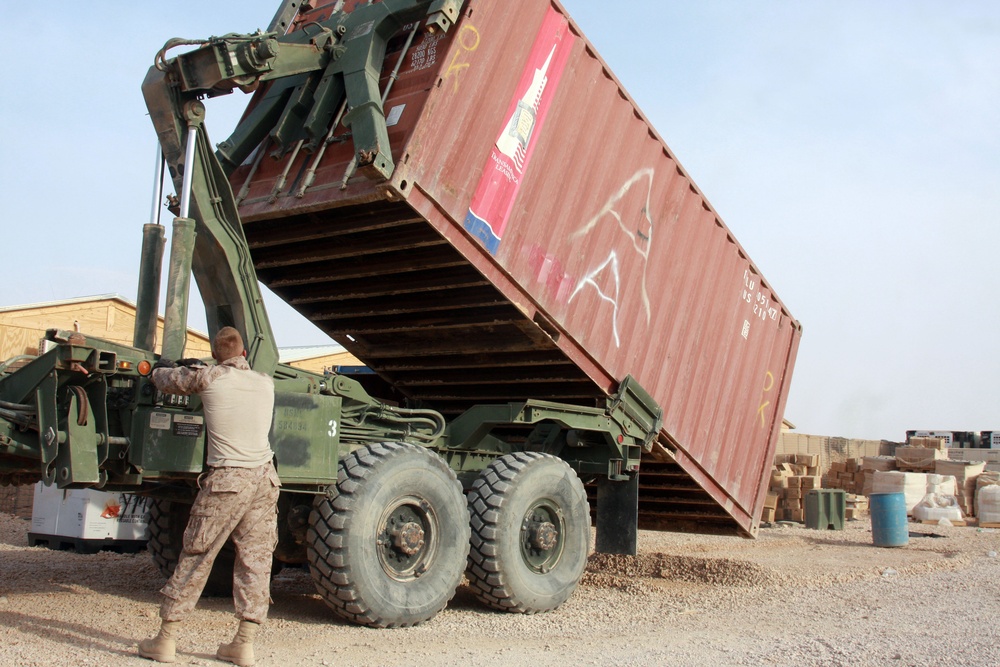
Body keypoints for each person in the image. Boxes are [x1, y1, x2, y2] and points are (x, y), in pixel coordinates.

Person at [138, 326, 279, 666]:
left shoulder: (210, 377)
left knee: (197, 555)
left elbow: (165, 379)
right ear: (244, 354)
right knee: (256, 561)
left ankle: (166, 639)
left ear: (216, 355)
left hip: (228, 479)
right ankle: (243, 644)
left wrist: (165, 365)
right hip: (265, 480)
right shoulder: (265, 382)